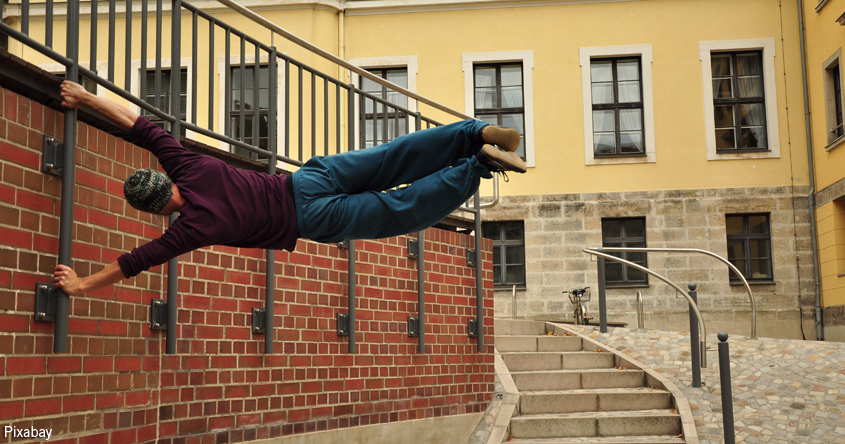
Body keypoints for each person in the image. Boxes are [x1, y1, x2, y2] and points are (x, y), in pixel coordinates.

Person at [52, 80, 527, 295]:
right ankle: (474, 134)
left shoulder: (191, 227)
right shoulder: (187, 165)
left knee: (398, 209)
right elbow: (139, 125)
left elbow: (130, 263)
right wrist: (84, 96)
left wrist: (80, 284)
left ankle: (478, 166)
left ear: (159, 210)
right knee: (392, 157)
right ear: (165, 178)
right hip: (309, 178)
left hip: (310, 218)